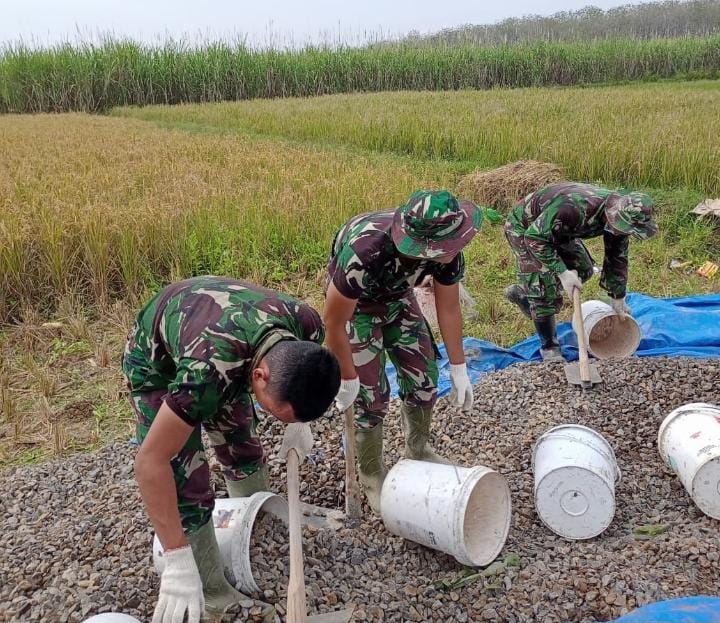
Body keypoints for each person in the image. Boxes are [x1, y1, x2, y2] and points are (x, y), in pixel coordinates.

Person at [122, 276, 340, 623]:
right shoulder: (206, 376)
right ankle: (210, 591)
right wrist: (176, 560)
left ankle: (255, 521)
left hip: (222, 337)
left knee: (241, 441)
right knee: (185, 475)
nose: (280, 421)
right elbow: (150, 461)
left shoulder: (307, 327)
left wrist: (300, 423)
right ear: (260, 376)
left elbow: (305, 375)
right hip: (157, 359)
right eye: (278, 413)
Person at [323, 190, 482, 512]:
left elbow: (448, 308)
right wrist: (347, 375)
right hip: (359, 307)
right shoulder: (365, 252)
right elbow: (334, 322)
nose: (455, 249)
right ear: (422, 244)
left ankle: (418, 449)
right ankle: (371, 474)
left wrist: (459, 366)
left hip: (398, 297)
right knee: (370, 397)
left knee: (423, 377)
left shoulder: (448, 251)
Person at [504, 182, 657, 361]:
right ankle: (550, 347)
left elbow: (617, 257)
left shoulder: (620, 219)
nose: (621, 231)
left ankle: (526, 293)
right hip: (526, 229)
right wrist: (562, 272)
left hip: (561, 230)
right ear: (613, 214)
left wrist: (618, 298)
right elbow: (535, 238)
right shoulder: (573, 208)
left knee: (583, 269)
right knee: (542, 285)